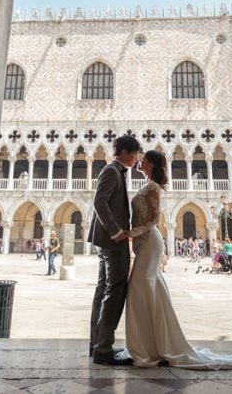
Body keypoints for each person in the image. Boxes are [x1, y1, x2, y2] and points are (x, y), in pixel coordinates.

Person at [125, 149, 232, 369]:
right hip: (143, 242)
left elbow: (154, 219)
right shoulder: (145, 185)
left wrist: (130, 234)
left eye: (143, 160)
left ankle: (150, 347)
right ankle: (151, 344)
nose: (140, 161)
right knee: (149, 290)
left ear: (151, 165)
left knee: (140, 288)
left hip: (149, 242)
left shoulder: (153, 187)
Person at [88, 135, 137, 366]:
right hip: (112, 242)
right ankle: (103, 348)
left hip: (107, 242)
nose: (136, 159)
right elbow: (100, 202)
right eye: (135, 154)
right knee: (114, 292)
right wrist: (117, 232)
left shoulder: (116, 171)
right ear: (126, 152)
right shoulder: (111, 171)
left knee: (103, 290)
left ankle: (98, 345)